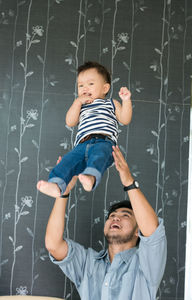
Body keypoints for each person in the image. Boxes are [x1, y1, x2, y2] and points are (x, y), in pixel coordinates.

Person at [45, 146, 167, 300]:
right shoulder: (88, 262)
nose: (115, 218)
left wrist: (129, 182)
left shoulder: (146, 263)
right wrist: (63, 194)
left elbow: (152, 231)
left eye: (126, 215)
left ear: (138, 230)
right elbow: (53, 245)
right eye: (112, 215)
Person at [37, 61, 132, 198]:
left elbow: (125, 119)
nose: (85, 88)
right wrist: (77, 102)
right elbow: (70, 122)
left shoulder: (111, 103)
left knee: (99, 156)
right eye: (81, 85)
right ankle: (56, 185)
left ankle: (90, 178)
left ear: (105, 88)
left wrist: (126, 101)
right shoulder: (80, 106)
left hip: (104, 141)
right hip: (81, 145)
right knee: (66, 162)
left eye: (91, 84)